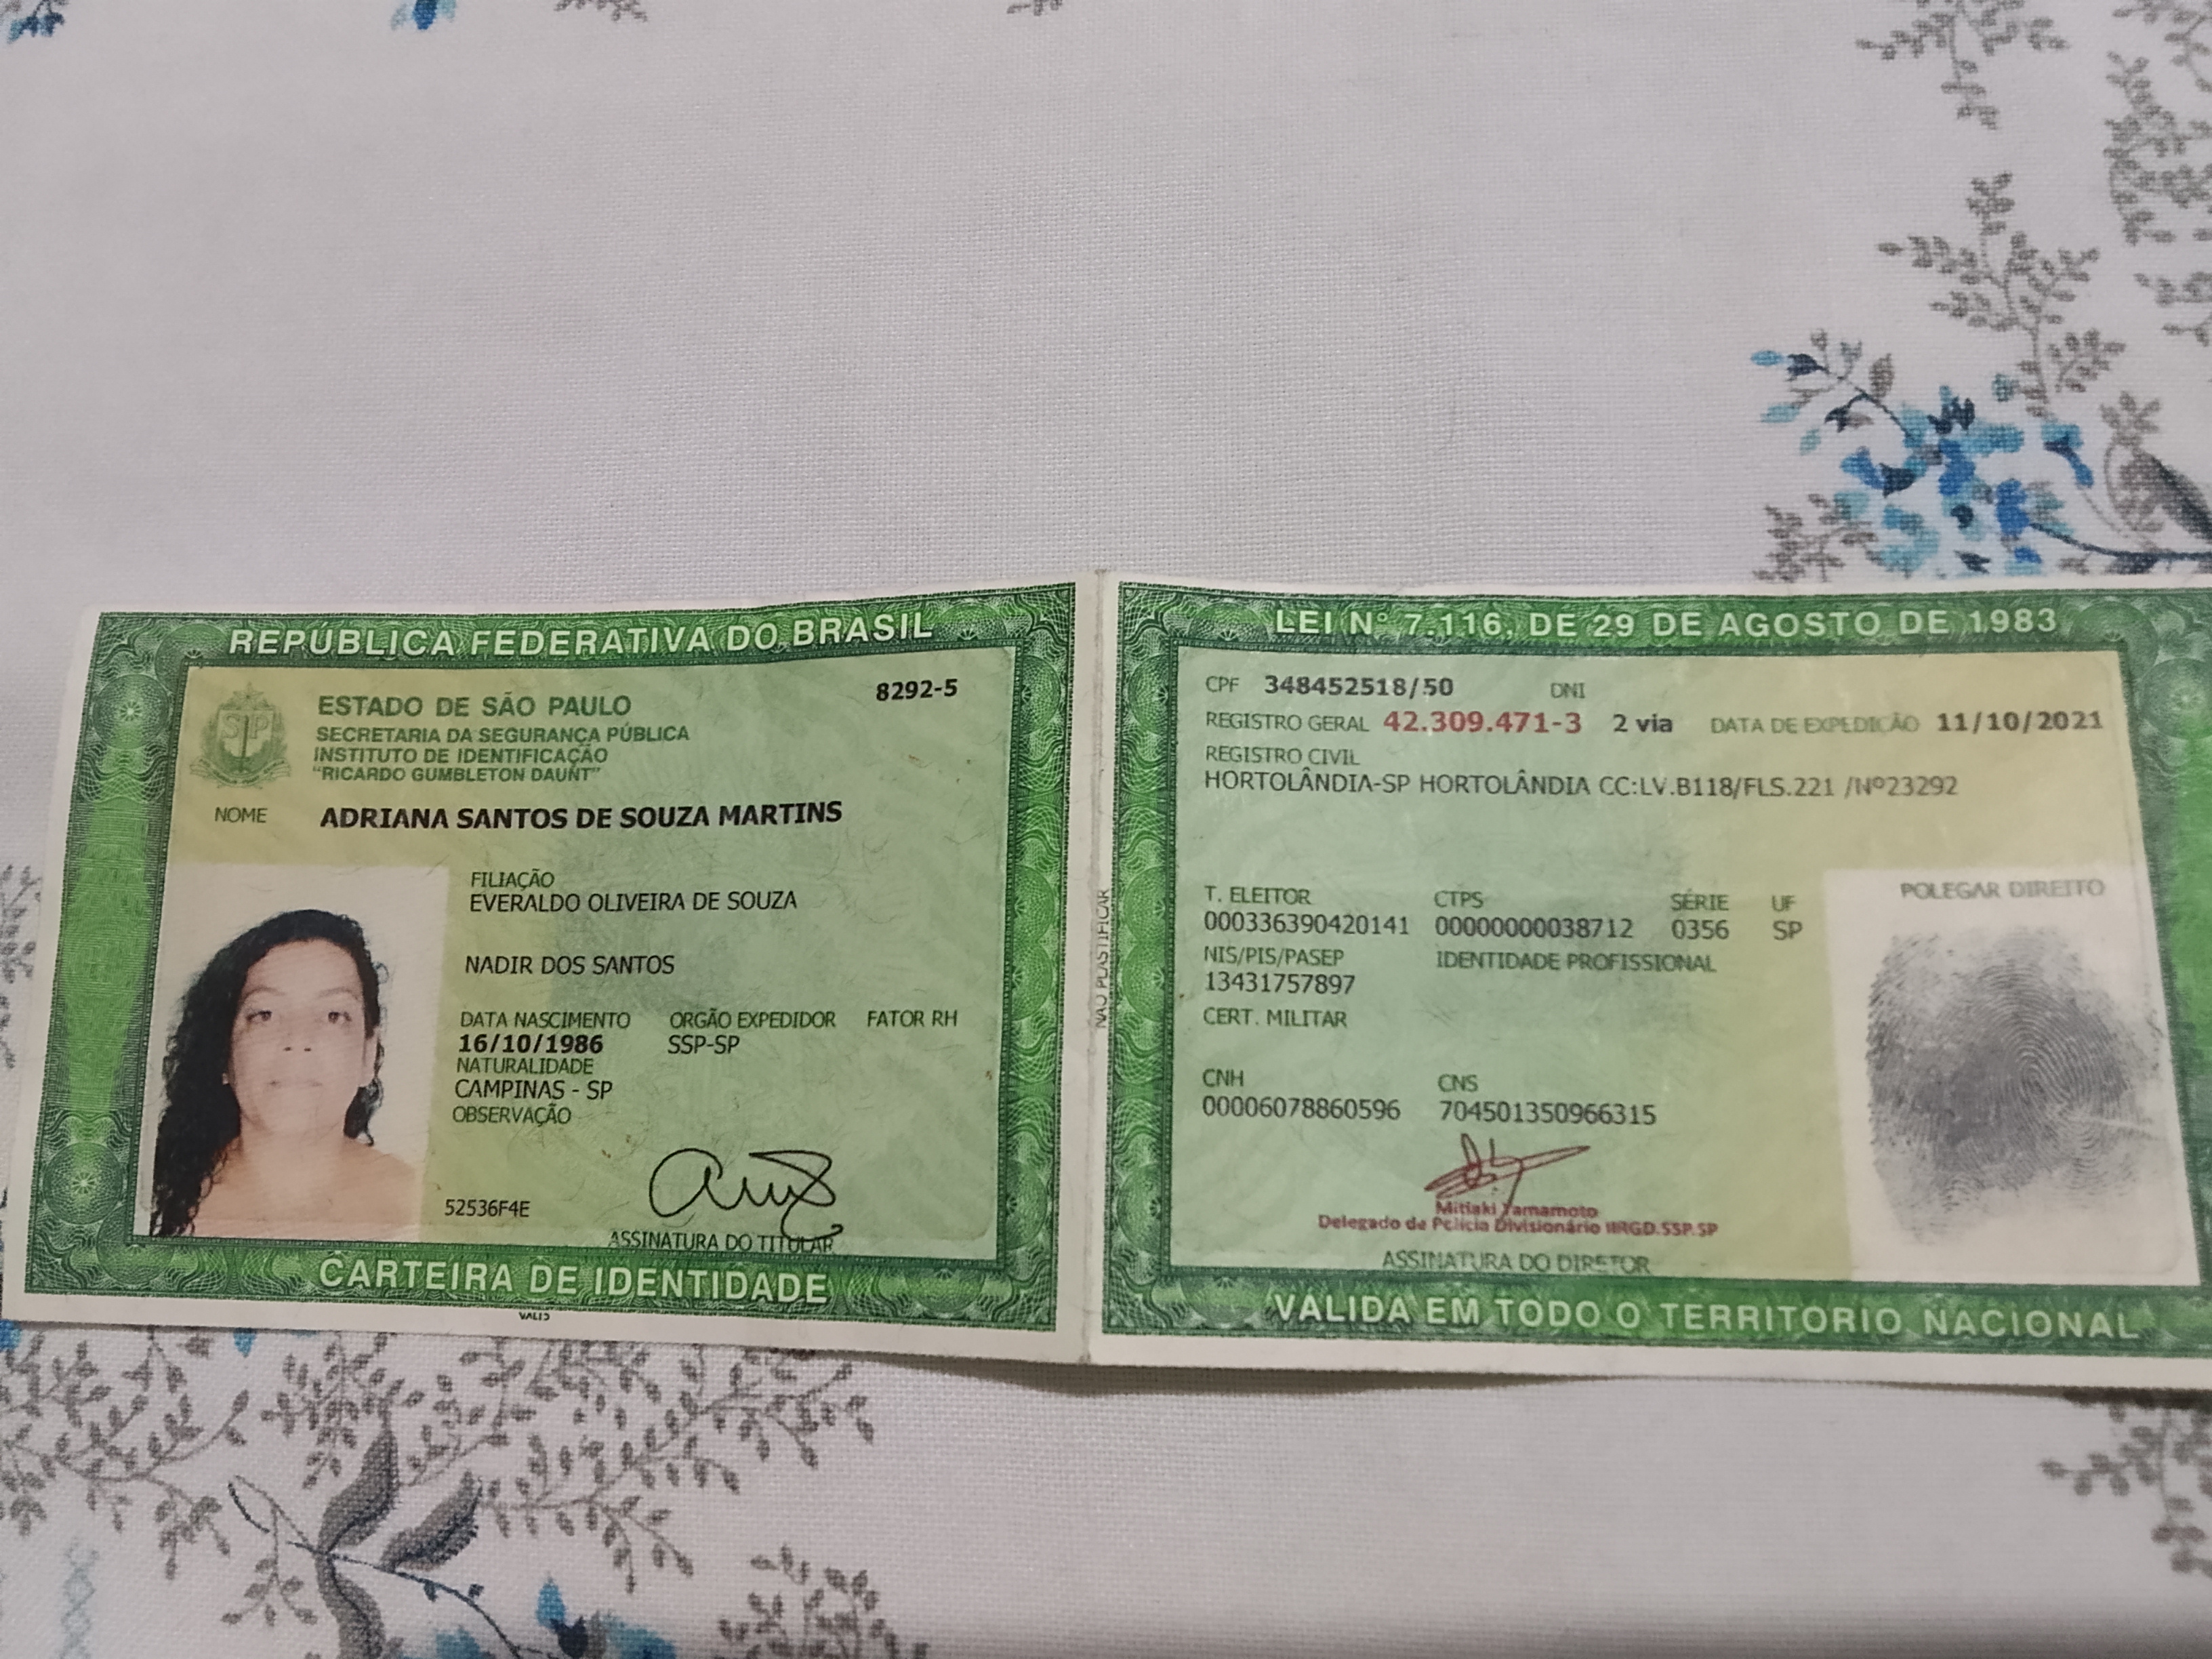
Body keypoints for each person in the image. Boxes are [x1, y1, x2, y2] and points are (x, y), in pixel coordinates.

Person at [150, 908, 419, 1239]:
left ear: (368, 1055)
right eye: (265, 1014)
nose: (298, 1039)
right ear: (224, 1054)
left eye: (334, 1016)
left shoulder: (422, 1205)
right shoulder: (151, 1202)